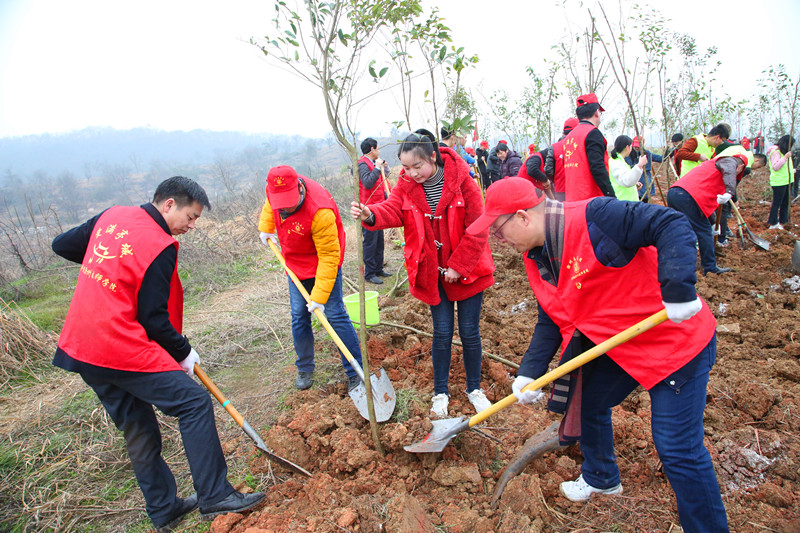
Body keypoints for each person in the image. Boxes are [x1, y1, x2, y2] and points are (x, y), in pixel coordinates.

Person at [467, 177, 729, 533]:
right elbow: (550, 315)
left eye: (499, 232)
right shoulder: (537, 256)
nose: (499, 243)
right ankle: (601, 477)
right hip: (622, 345)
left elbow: (670, 223)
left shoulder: (596, 216)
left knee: (677, 448)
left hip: (674, 342)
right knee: (586, 398)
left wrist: (678, 287)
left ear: (523, 217)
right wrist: (529, 371)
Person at [52, 176, 266, 531]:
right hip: (116, 343)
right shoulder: (160, 244)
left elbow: (63, 244)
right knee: (193, 402)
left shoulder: (111, 215)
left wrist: (109, 270)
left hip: (81, 345)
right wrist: (184, 352)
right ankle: (215, 495)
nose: (192, 226)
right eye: (191, 217)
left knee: (138, 427)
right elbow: (154, 320)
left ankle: (164, 508)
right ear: (169, 205)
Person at [350, 129, 495, 418]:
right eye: (406, 167)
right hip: (432, 272)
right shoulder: (406, 184)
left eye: (418, 166)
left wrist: (459, 265)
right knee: (441, 333)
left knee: (469, 332)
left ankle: (474, 388)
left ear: (433, 158)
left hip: (468, 272)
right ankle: (440, 391)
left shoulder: (461, 179)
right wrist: (370, 214)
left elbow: (478, 226)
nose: (412, 173)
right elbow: (394, 209)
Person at [258, 165, 364, 391]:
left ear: (298, 188)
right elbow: (270, 204)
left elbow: (328, 256)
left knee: (335, 315)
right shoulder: (275, 190)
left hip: (323, 264)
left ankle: (356, 371)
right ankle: (305, 367)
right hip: (294, 264)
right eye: (280, 203)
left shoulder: (320, 211)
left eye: (289, 202)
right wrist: (266, 227)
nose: (284, 207)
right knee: (298, 316)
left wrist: (318, 297)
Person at [667, 153, 750, 275]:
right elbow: (729, 170)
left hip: (676, 193)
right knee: (703, 232)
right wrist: (729, 192)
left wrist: (713, 223)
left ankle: (675, 262)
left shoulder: (713, 169)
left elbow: (705, 202)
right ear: (741, 166)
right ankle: (710, 268)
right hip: (688, 197)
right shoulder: (730, 161)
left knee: (681, 230)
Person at [562, 93, 615, 200]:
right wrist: (610, 195)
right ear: (596, 112)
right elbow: (597, 167)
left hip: (572, 199)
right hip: (591, 201)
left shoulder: (568, 138)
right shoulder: (592, 133)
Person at [357, 137, 393, 284]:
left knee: (379, 240)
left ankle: (378, 268)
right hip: (367, 209)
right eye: (377, 148)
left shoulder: (372, 163)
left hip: (378, 207)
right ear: (372, 149)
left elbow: (380, 180)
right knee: (370, 242)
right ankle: (370, 273)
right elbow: (367, 182)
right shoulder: (361, 165)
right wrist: (377, 168)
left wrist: (384, 169)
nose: (378, 151)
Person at [545, 117, 580, 200]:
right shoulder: (581, 145)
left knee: (563, 212)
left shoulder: (554, 147)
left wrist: (557, 179)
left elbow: (548, 169)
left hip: (560, 189)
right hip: (578, 189)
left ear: (563, 132)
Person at [766, 135, 795, 229]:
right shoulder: (776, 152)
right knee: (777, 202)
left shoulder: (784, 152)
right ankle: (773, 222)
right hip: (779, 182)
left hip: (787, 181)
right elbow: (776, 167)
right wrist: (785, 157)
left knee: (785, 202)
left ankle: (784, 221)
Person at [609, 135, 647, 201]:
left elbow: (622, 178)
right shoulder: (616, 163)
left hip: (625, 202)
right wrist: (639, 165)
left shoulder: (619, 161)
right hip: (623, 203)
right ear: (627, 147)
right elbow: (627, 181)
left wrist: (635, 184)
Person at [627, 136, 664, 202]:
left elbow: (660, 159)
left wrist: (668, 151)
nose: (636, 147)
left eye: (638, 146)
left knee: (644, 199)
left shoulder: (647, 154)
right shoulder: (628, 154)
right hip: (634, 178)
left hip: (645, 179)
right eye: (635, 146)